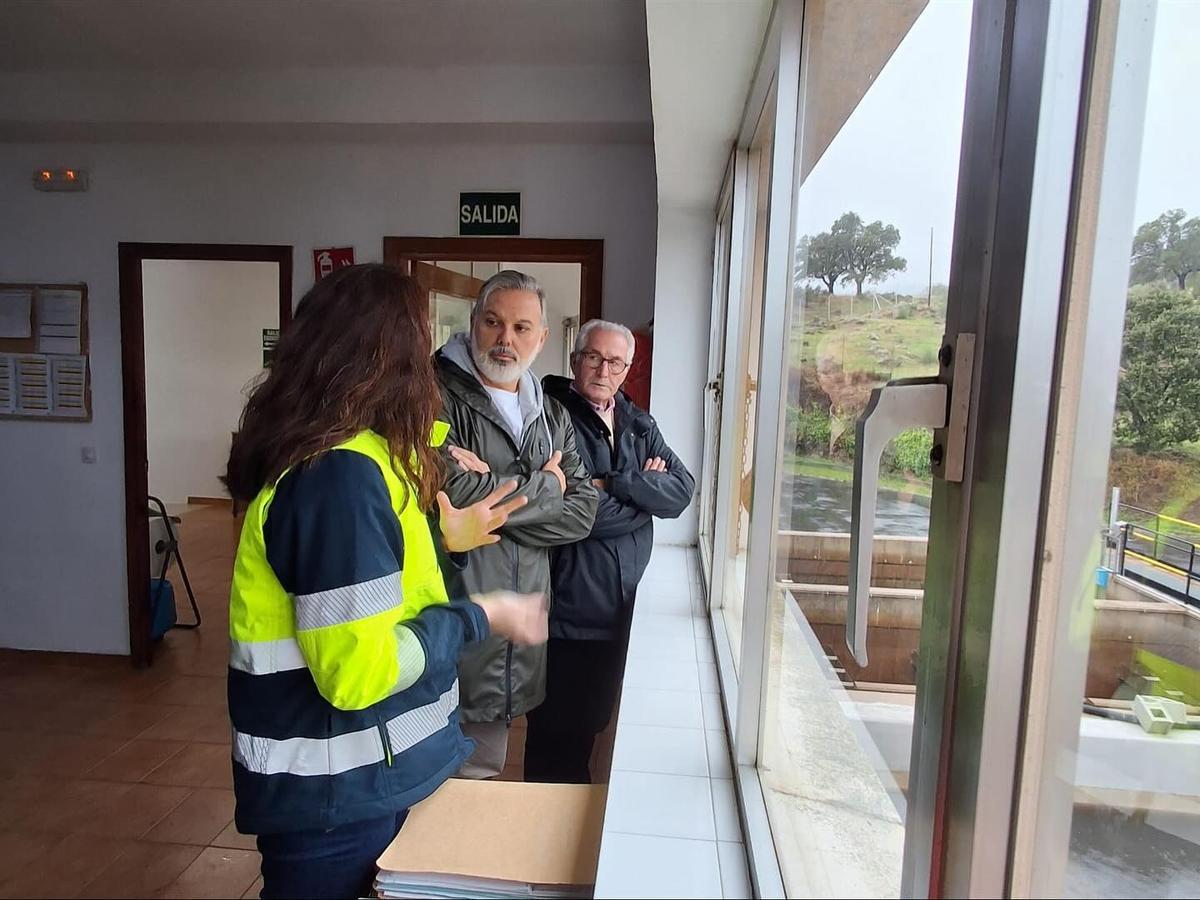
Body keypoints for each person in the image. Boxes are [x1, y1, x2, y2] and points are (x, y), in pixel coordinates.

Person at [223, 264, 547, 900]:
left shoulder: (367, 460)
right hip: (336, 796)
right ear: (387, 357)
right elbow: (358, 674)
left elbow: (386, 591)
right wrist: (481, 615)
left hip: (365, 779)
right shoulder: (338, 478)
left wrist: (444, 542)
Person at [435, 269, 598, 778]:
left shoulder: (551, 414)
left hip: (512, 643)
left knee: (482, 777)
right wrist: (548, 488)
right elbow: (449, 493)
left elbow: (584, 512)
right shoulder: (430, 396)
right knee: (436, 788)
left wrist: (498, 501)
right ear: (473, 323)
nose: (506, 339)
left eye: (522, 328)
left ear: (542, 338)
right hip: (449, 621)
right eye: (493, 322)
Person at [525, 318, 695, 783]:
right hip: (568, 610)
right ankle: (540, 830)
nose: (604, 369)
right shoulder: (551, 418)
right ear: (576, 360)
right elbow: (576, 513)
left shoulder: (637, 421)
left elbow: (680, 491)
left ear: (627, 369)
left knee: (591, 723)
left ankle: (565, 826)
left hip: (620, 607)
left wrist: (615, 483)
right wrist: (643, 500)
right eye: (594, 357)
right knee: (557, 732)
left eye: (615, 361)